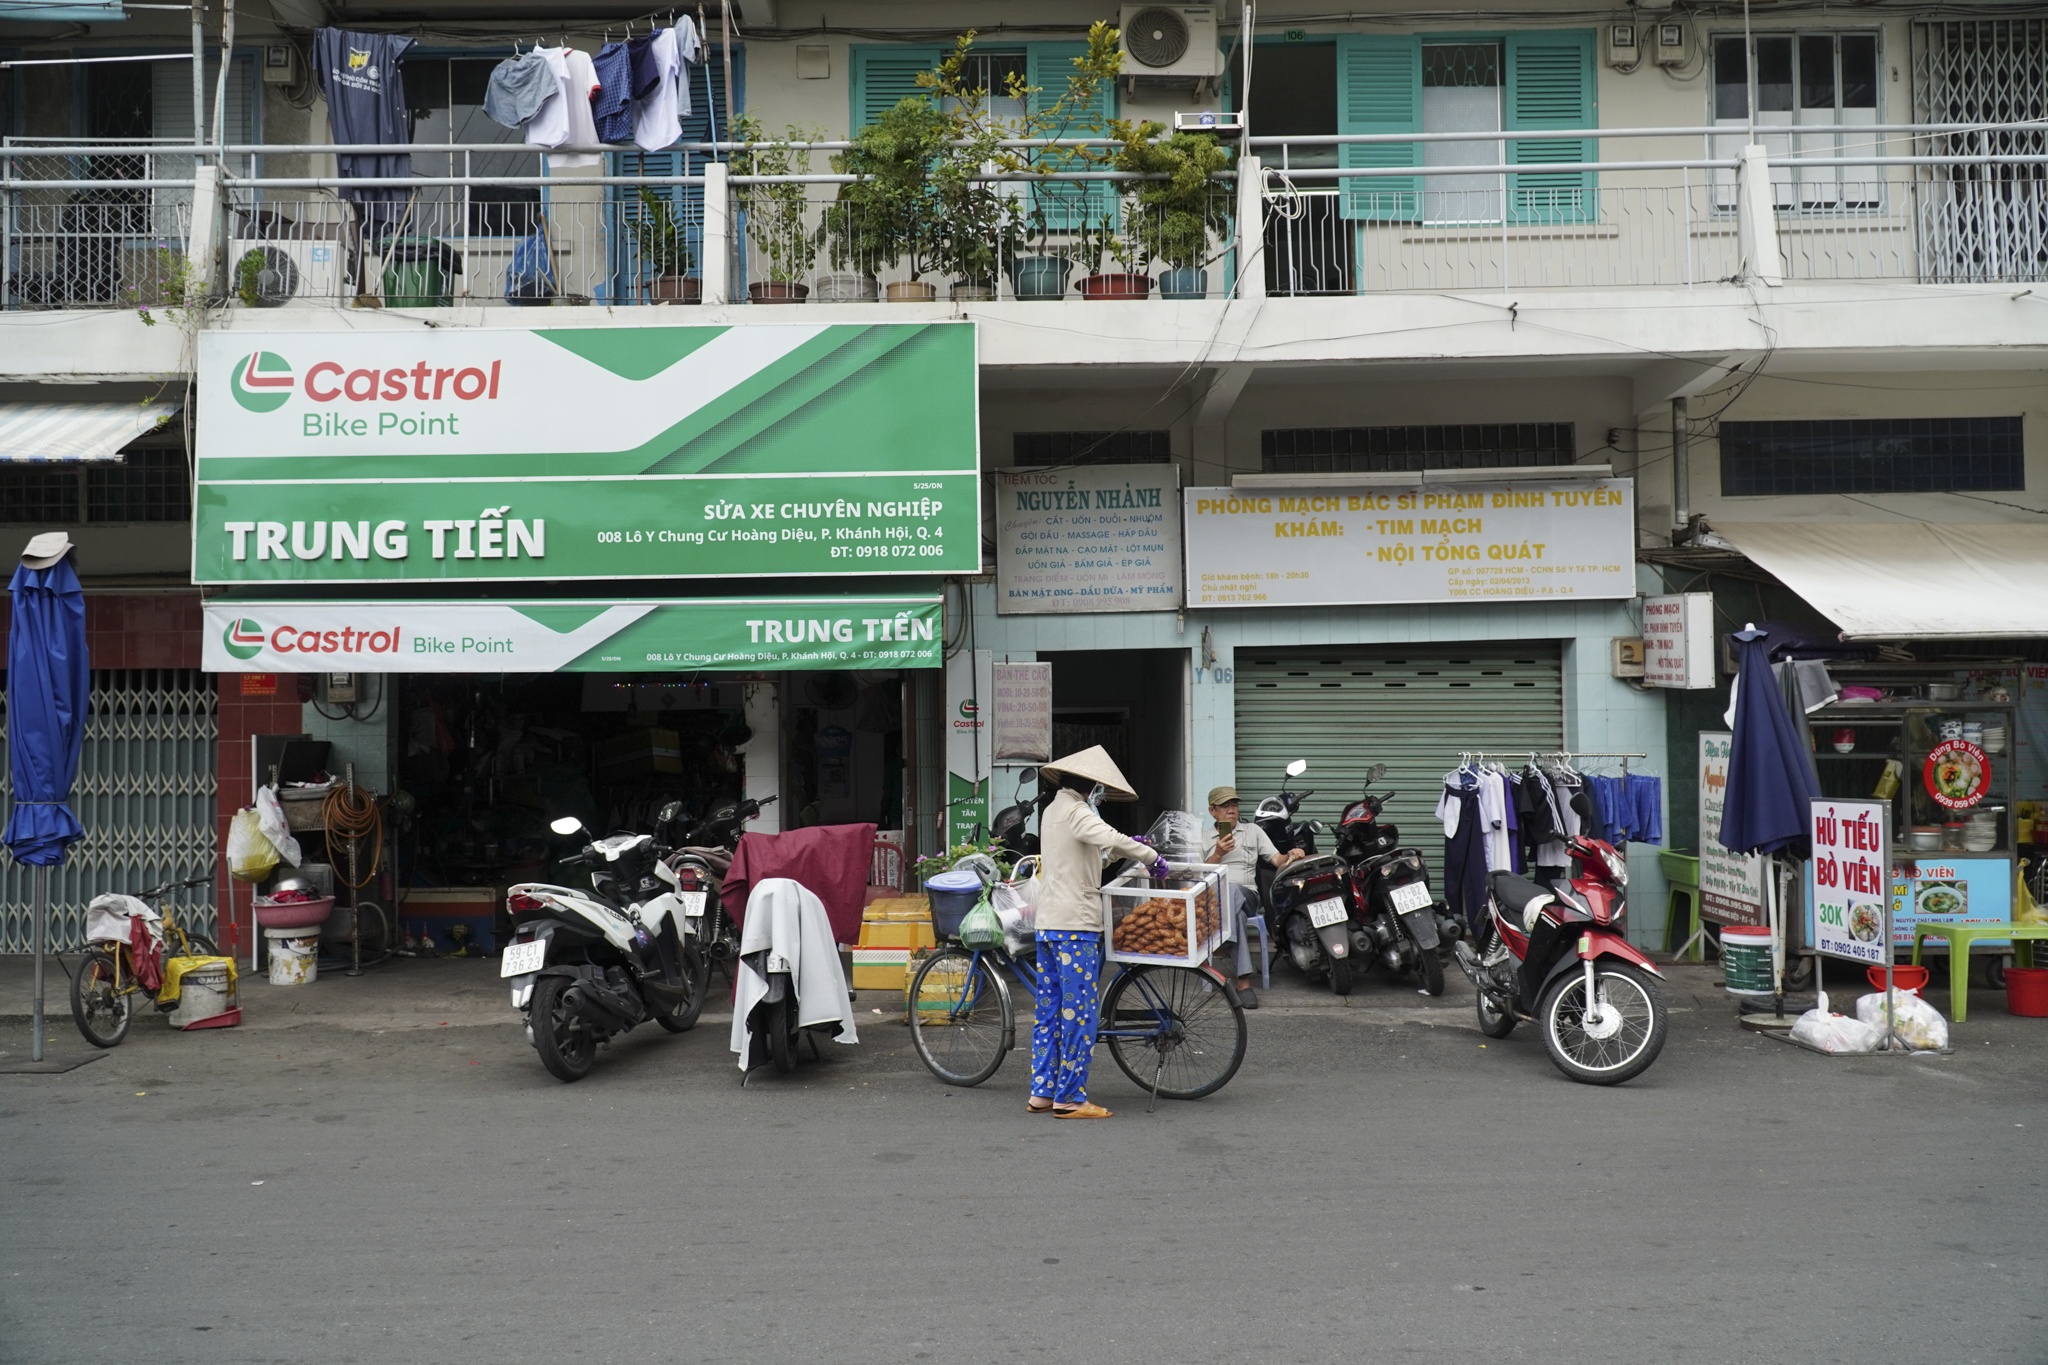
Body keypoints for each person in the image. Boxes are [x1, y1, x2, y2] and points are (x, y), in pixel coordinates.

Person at [1028, 745, 1163, 1121]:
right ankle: (1070, 1098)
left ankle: (1042, 1091)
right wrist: (1150, 856)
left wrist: (1125, 851)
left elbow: (1094, 854)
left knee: (1050, 1011)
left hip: (1049, 925)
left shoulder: (1054, 810)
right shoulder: (1077, 811)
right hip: (1075, 927)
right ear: (1090, 785)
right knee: (1079, 1013)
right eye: (1098, 787)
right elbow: (1109, 836)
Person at [1203, 784, 1304, 1009]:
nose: (1231, 810)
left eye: (1234, 805)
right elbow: (1199, 876)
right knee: (1236, 915)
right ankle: (1244, 983)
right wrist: (1218, 853)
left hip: (1247, 895)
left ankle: (1224, 942)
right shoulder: (1204, 837)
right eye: (1225, 806)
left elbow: (1277, 860)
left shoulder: (1253, 831)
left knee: (1232, 889)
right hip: (1214, 901)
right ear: (1212, 811)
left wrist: (1291, 855)